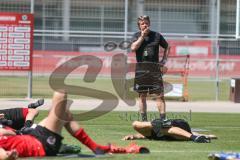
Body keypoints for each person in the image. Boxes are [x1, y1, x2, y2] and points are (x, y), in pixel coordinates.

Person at [0, 91, 147, 159]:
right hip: (40, 144)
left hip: (32, 136)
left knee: (65, 113)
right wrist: (8, 155)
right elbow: (3, 155)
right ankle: (96, 148)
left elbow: (14, 131)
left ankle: (96, 147)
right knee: (60, 95)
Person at [130, 15, 170, 121]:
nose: (145, 25)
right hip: (141, 70)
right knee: (142, 96)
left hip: (154, 69)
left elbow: (167, 47)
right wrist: (142, 36)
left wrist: (164, 60)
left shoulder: (157, 35)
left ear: (149, 23)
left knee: (159, 95)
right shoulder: (136, 35)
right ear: (139, 26)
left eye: (146, 23)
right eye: (142, 23)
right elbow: (133, 48)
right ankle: (144, 121)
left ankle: (163, 120)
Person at [122, 119, 217, 143]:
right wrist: (134, 136)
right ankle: (159, 123)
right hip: (164, 131)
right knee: (134, 124)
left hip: (178, 124)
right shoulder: (148, 134)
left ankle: (158, 123)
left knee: (135, 123)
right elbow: (141, 136)